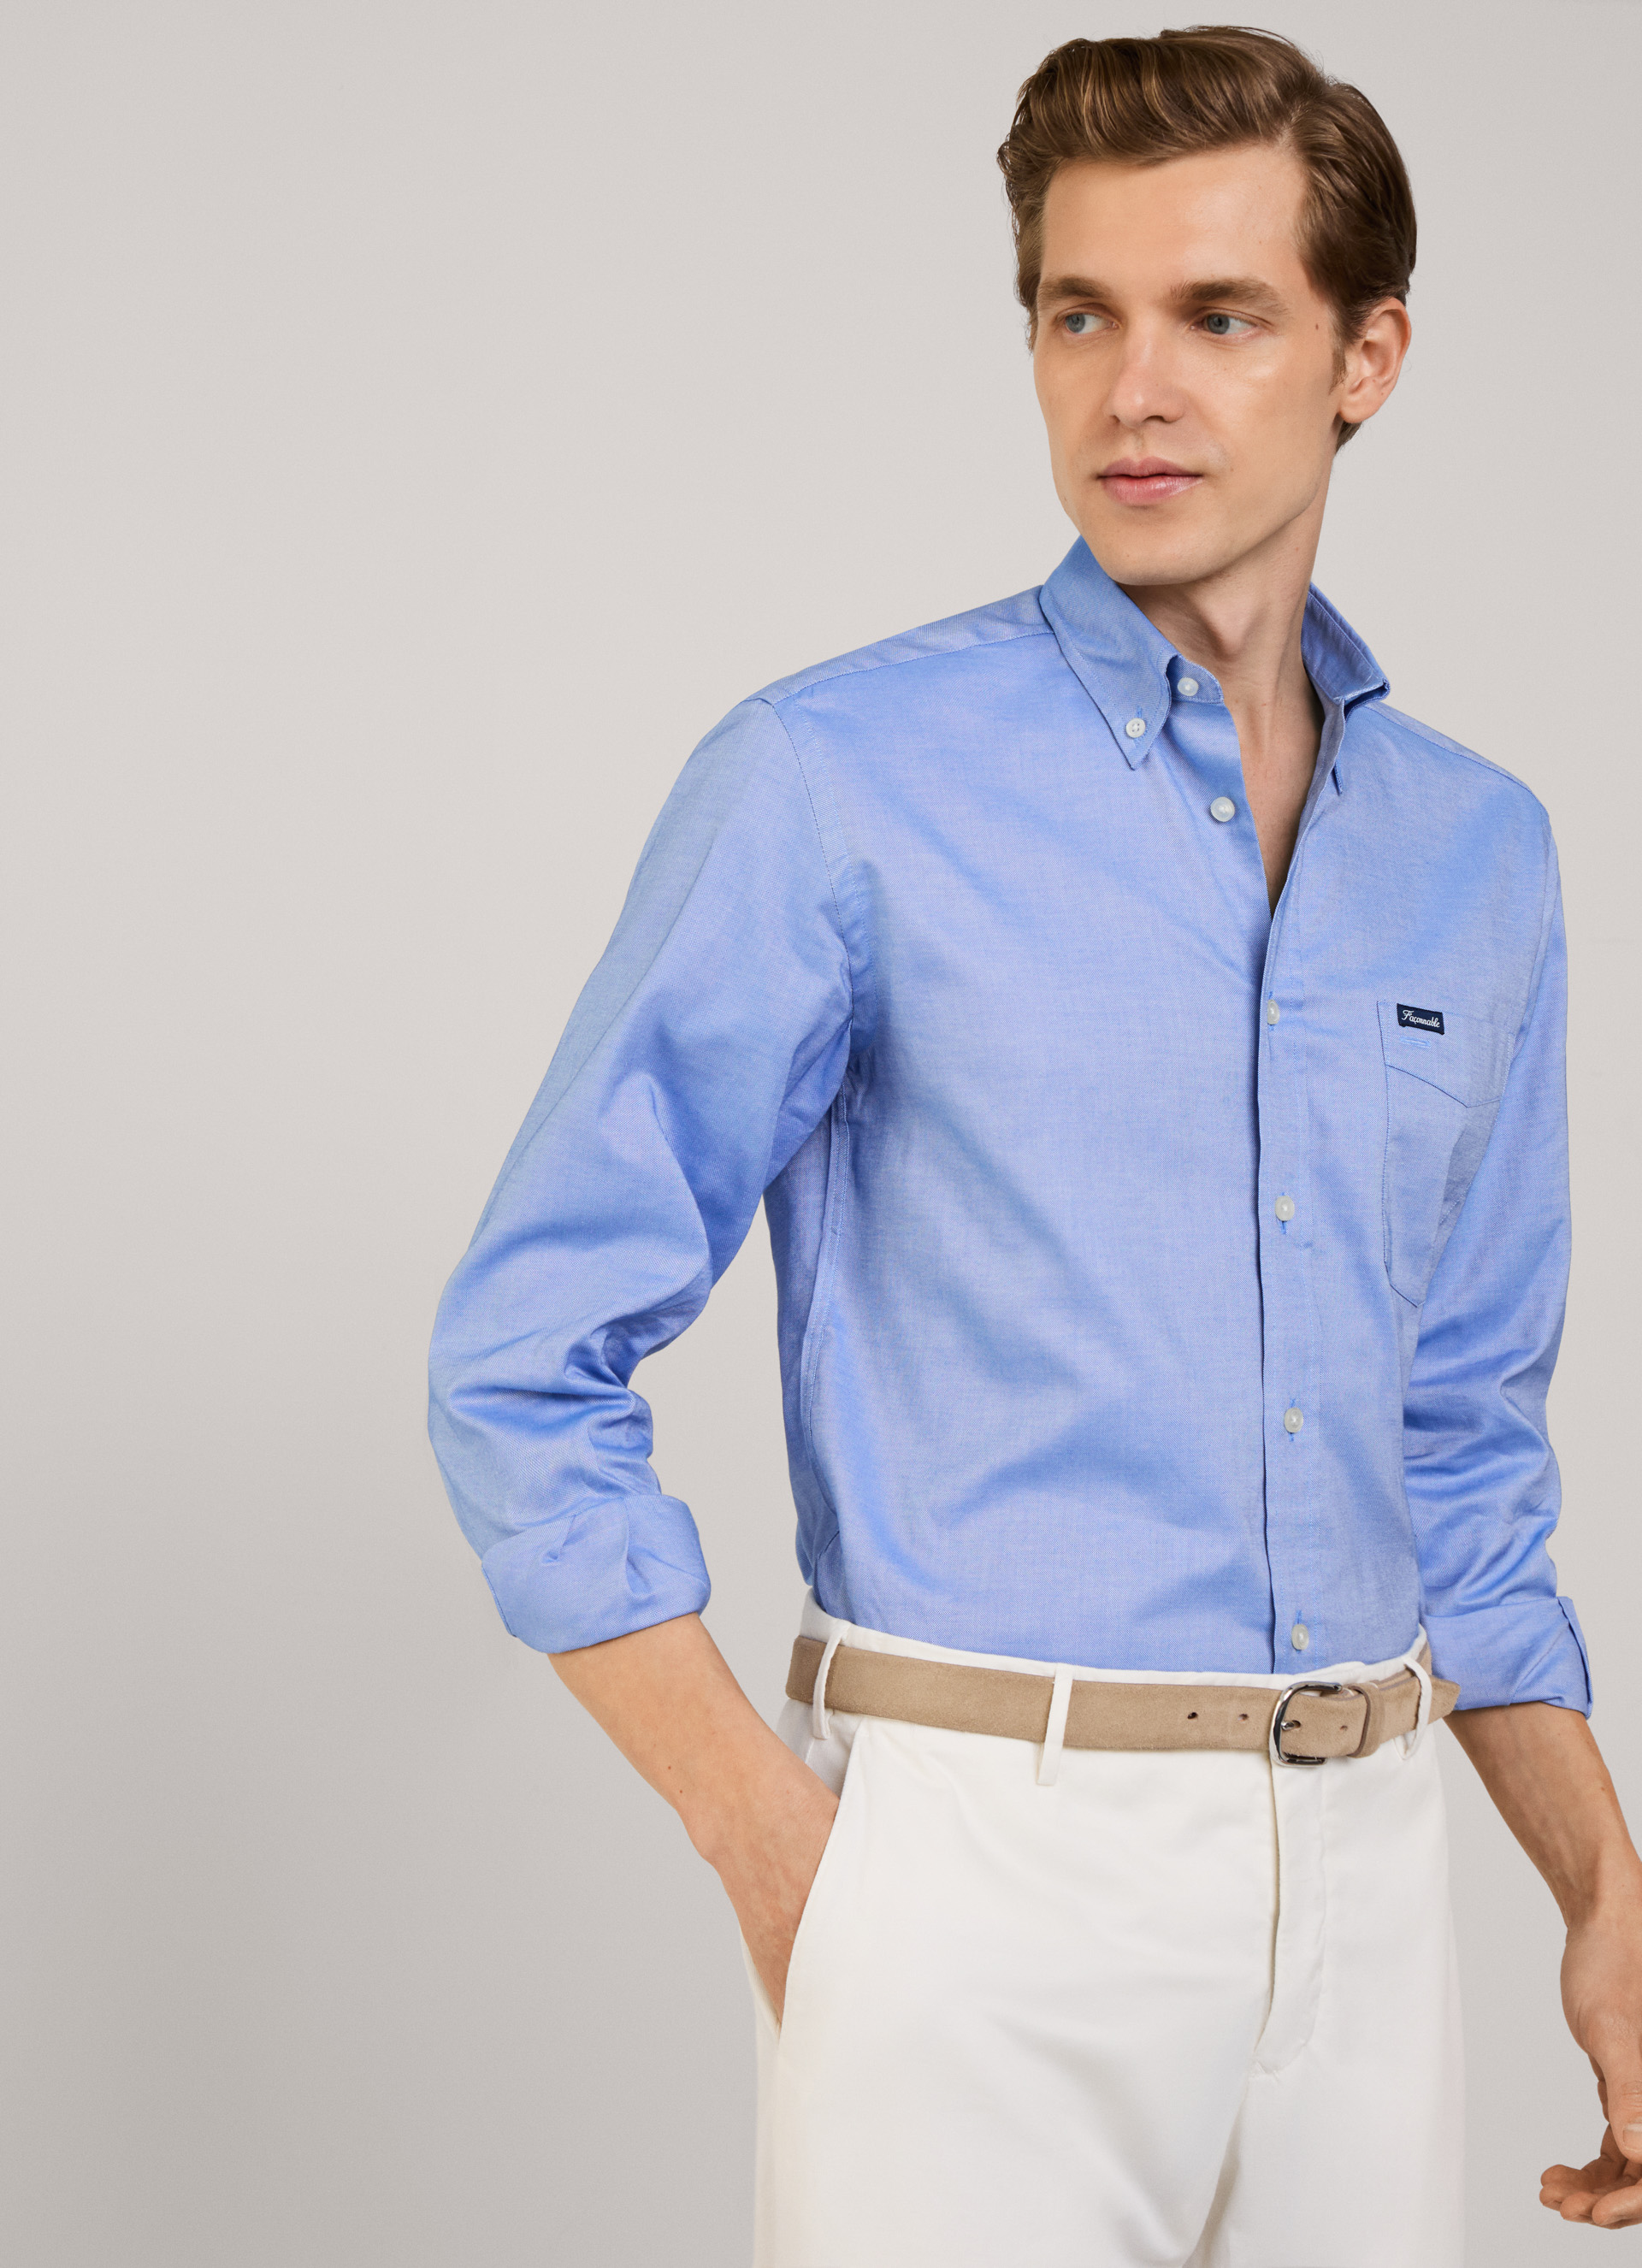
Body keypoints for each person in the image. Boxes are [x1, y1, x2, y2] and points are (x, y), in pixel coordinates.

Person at [428, 26, 1642, 2261]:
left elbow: (1462, 1445)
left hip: (1372, 1884)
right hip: (981, 1862)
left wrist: (1600, 1884)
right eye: (1080, 315)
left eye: (1220, 316)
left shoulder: (1480, 855)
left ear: (1368, 356)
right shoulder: (838, 783)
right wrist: (783, 1853)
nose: (1132, 391)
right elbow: (520, 1363)